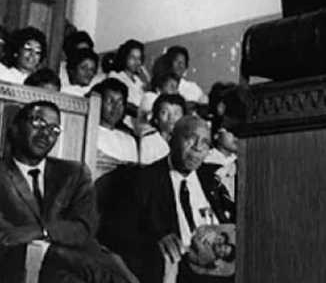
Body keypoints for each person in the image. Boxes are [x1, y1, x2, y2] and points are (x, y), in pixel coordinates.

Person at [0, 100, 136, 283]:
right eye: (38, 123)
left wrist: (40, 232)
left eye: (54, 129)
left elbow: (84, 227)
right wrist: (41, 248)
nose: (45, 134)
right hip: (17, 266)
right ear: (15, 128)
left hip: (68, 267)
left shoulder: (74, 173)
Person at [112, 116, 235, 283]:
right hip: (176, 269)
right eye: (190, 139)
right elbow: (121, 235)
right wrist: (157, 238)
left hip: (220, 268)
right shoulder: (144, 180)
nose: (198, 148)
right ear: (170, 139)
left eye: (205, 143)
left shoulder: (213, 179)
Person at [95, 78, 138, 177]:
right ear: (99, 102)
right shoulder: (90, 132)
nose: (116, 108)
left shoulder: (129, 140)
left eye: (120, 103)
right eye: (110, 101)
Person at [139, 93, 186, 165]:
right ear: (156, 119)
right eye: (164, 112)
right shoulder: (149, 141)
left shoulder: (185, 142)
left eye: (176, 113)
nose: (171, 117)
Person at [109, 39, 149, 117]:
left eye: (139, 58)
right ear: (124, 58)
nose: (137, 62)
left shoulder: (139, 81)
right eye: (132, 57)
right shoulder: (116, 76)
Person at [165, 46, 207, 114]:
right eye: (176, 61)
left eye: (183, 62)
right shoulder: (162, 87)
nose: (180, 65)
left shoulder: (193, 88)